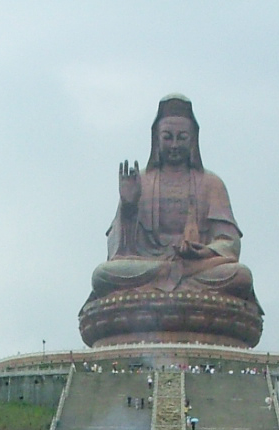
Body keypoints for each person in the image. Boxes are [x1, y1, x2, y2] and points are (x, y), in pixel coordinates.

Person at [89, 95, 258, 306]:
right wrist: (129, 207)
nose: (175, 144)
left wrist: (204, 252)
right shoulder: (140, 181)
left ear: (193, 139)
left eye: (182, 137)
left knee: (240, 276)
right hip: (151, 266)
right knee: (103, 275)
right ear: (156, 139)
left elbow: (230, 243)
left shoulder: (211, 183)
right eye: (168, 137)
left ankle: (172, 283)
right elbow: (119, 250)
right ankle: (171, 281)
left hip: (196, 267)